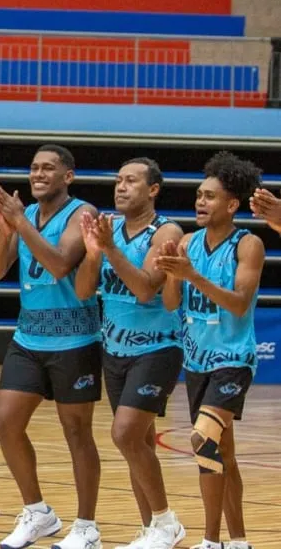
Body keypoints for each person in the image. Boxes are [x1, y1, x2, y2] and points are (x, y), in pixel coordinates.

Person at [0, 144, 103, 549]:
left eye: (48, 168)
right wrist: (6, 231)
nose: (38, 174)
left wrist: (21, 222)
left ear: (67, 176)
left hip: (75, 339)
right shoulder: (26, 217)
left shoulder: (81, 213)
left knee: (76, 432)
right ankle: (37, 512)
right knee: (5, 423)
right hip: (29, 336)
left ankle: (86, 526)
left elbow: (58, 263)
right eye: (33, 167)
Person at [73, 158, 186, 549]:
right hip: (115, 349)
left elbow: (144, 289)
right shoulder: (110, 230)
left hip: (157, 348)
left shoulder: (166, 231)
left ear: (153, 190)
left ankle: (166, 521)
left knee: (124, 435)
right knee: (140, 442)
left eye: (132, 181)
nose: (121, 187)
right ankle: (152, 529)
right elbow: (85, 291)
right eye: (118, 180)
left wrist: (109, 250)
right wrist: (92, 254)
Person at [157, 151, 264, 549]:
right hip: (197, 361)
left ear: (232, 205)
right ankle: (237, 541)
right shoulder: (185, 241)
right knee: (222, 455)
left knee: (203, 441)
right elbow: (171, 303)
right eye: (199, 195)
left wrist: (192, 275)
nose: (200, 202)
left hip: (233, 359)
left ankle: (209, 540)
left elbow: (238, 303)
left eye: (210, 196)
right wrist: (172, 273)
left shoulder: (248, 244)